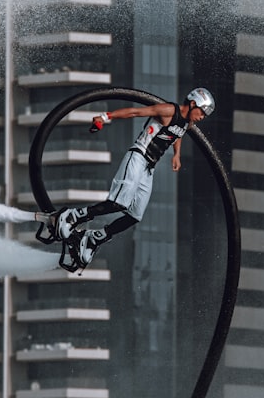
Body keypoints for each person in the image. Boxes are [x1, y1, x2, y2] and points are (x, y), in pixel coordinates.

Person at [53, 88, 215, 269]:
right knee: (118, 203)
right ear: (193, 104)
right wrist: (106, 117)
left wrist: (176, 154)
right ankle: (73, 216)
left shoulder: (188, 123)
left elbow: (178, 134)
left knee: (135, 215)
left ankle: (94, 237)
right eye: (202, 112)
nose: (202, 117)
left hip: (148, 168)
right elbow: (136, 112)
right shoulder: (169, 110)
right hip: (138, 156)